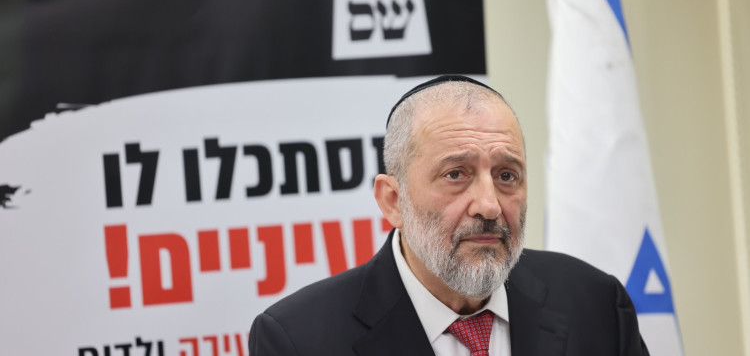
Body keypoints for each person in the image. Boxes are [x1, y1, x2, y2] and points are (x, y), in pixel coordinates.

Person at [248, 75, 649, 356]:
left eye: (506, 176)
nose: (489, 206)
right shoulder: (298, 340)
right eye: (456, 174)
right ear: (393, 201)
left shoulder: (596, 304)